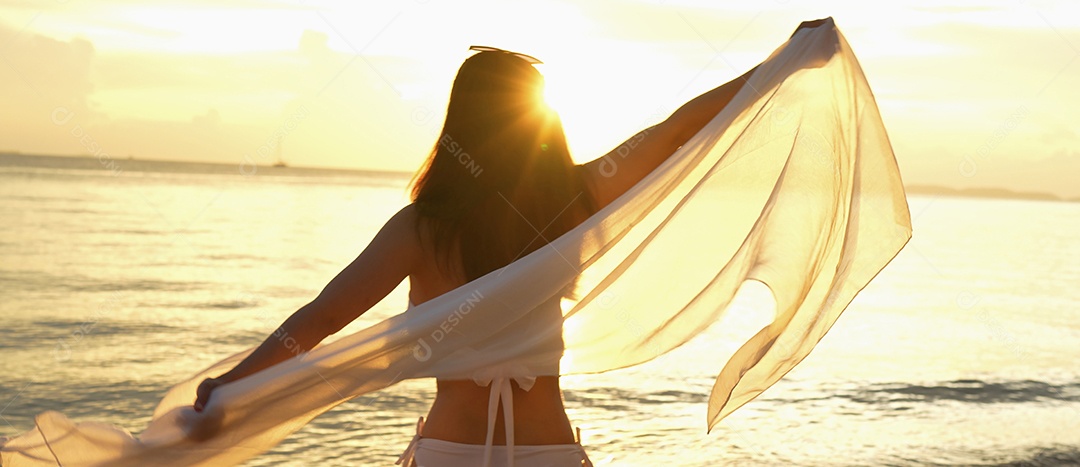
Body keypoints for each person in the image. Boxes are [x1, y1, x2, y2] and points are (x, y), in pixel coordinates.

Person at [193, 21, 825, 466]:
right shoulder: (576, 202)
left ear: (462, 123)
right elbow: (673, 132)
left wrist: (232, 383)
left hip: (450, 453)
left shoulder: (422, 228)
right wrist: (782, 62)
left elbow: (323, 318)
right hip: (549, 451)